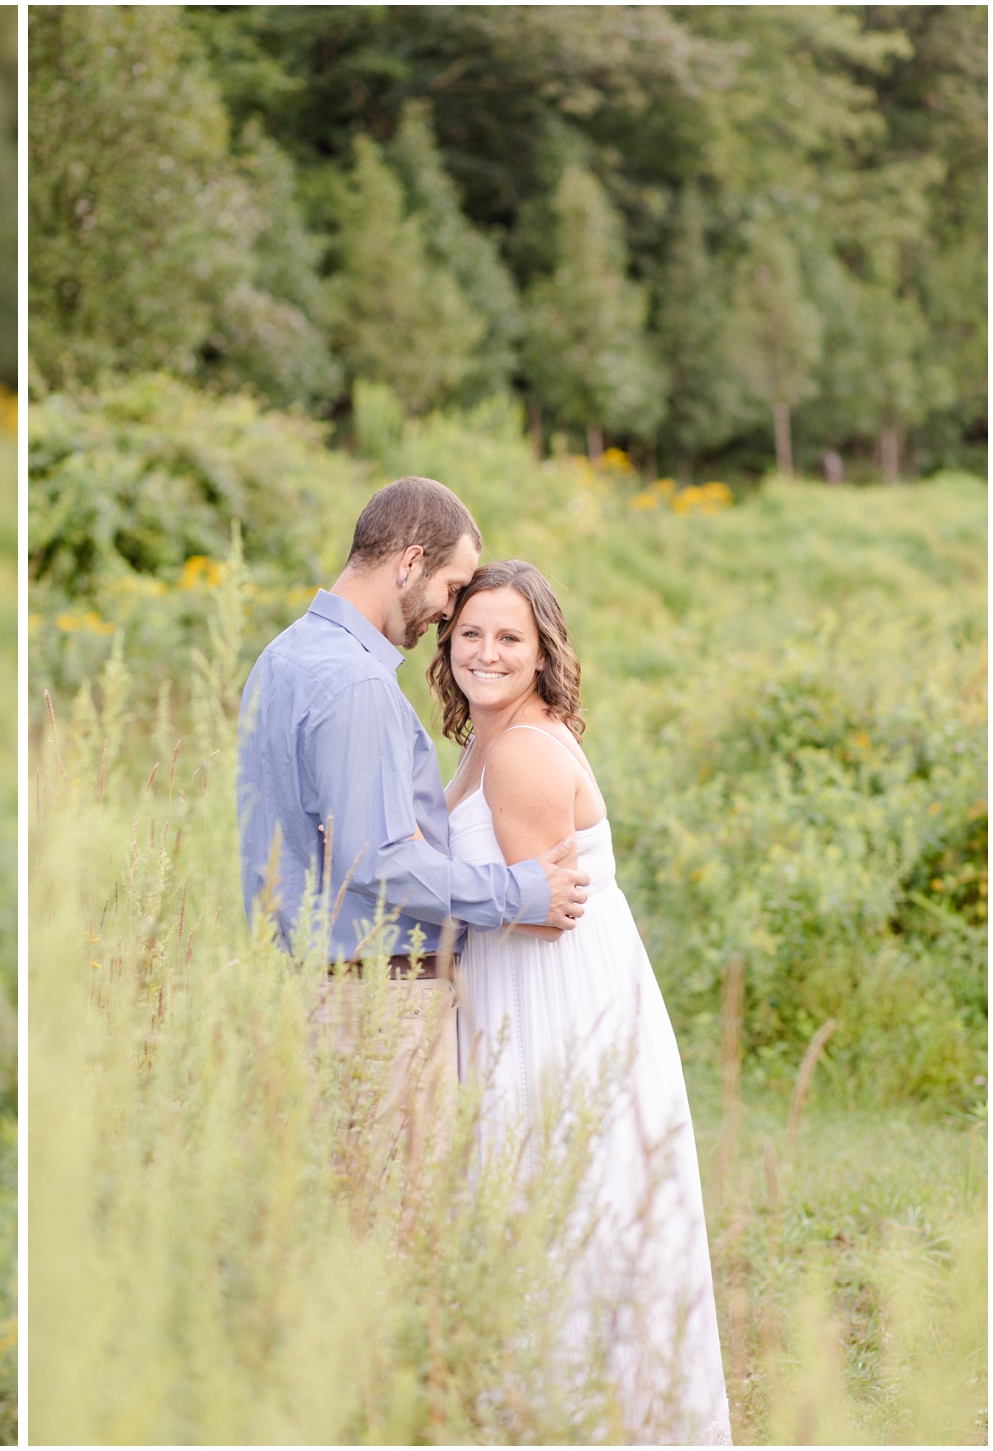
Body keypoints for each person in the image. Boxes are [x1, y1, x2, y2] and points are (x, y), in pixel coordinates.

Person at [430, 559, 730, 1444]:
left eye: (508, 638)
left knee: (553, 1203)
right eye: (470, 633)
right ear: (447, 640)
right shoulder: (498, 732)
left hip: (548, 1002)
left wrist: (408, 878)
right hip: (558, 993)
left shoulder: (520, 748)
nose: (484, 652)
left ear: (540, 651)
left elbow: (540, 912)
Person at [236, 475, 590, 1118]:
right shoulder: (356, 684)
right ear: (409, 564)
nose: (446, 617)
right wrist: (522, 892)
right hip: (375, 998)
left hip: (307, 985)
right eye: (453, 589)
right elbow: (375, 860)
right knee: (396, 1208)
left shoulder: (281, 657)